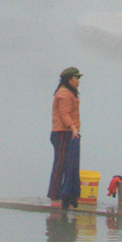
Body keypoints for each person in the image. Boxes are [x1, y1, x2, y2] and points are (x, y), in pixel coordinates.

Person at [48, 67, 82, 209]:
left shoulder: (69, 93)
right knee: (60, 164)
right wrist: (73, 128)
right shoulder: (64, 94)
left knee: (68, 165)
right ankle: (55, 197)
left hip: (67, 133)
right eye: (76, 78)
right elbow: (64, 114)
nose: (78, 81)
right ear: (69, 79)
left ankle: (65, 195)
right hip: (62, 133)